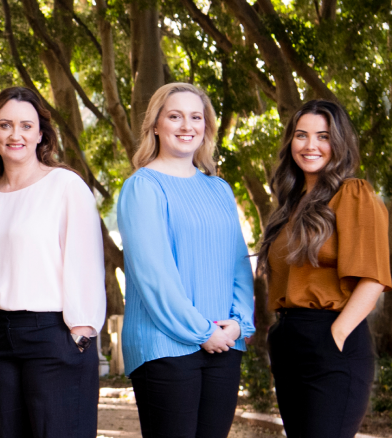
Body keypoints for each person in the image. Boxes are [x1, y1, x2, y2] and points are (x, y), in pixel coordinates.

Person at [0, 86, 107, 438]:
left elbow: (85, 262)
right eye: (5, 125)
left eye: (26, 126)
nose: (16, 134)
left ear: (40, 133)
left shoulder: (65, 185)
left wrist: (82, 331)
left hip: (56, 335)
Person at [116, 83, 256, 438]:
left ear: (206, 127)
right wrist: (202, 331)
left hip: (225, 342)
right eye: (174, 116)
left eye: (196, 117)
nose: (186, 125)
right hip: (164, 346)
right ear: (155, 125)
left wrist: (240, 324)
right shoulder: (142, 187)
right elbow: (154, 275)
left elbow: (238, 263)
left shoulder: (219, 189)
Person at [259, 100, 389, 437]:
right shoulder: (288, 205)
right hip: (289, 341)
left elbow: (372, 280)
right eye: (301, 135)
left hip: (332, 340)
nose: (310, 145)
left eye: (323, 136)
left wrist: (336, 337)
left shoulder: (353, 194)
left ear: (339, 143)